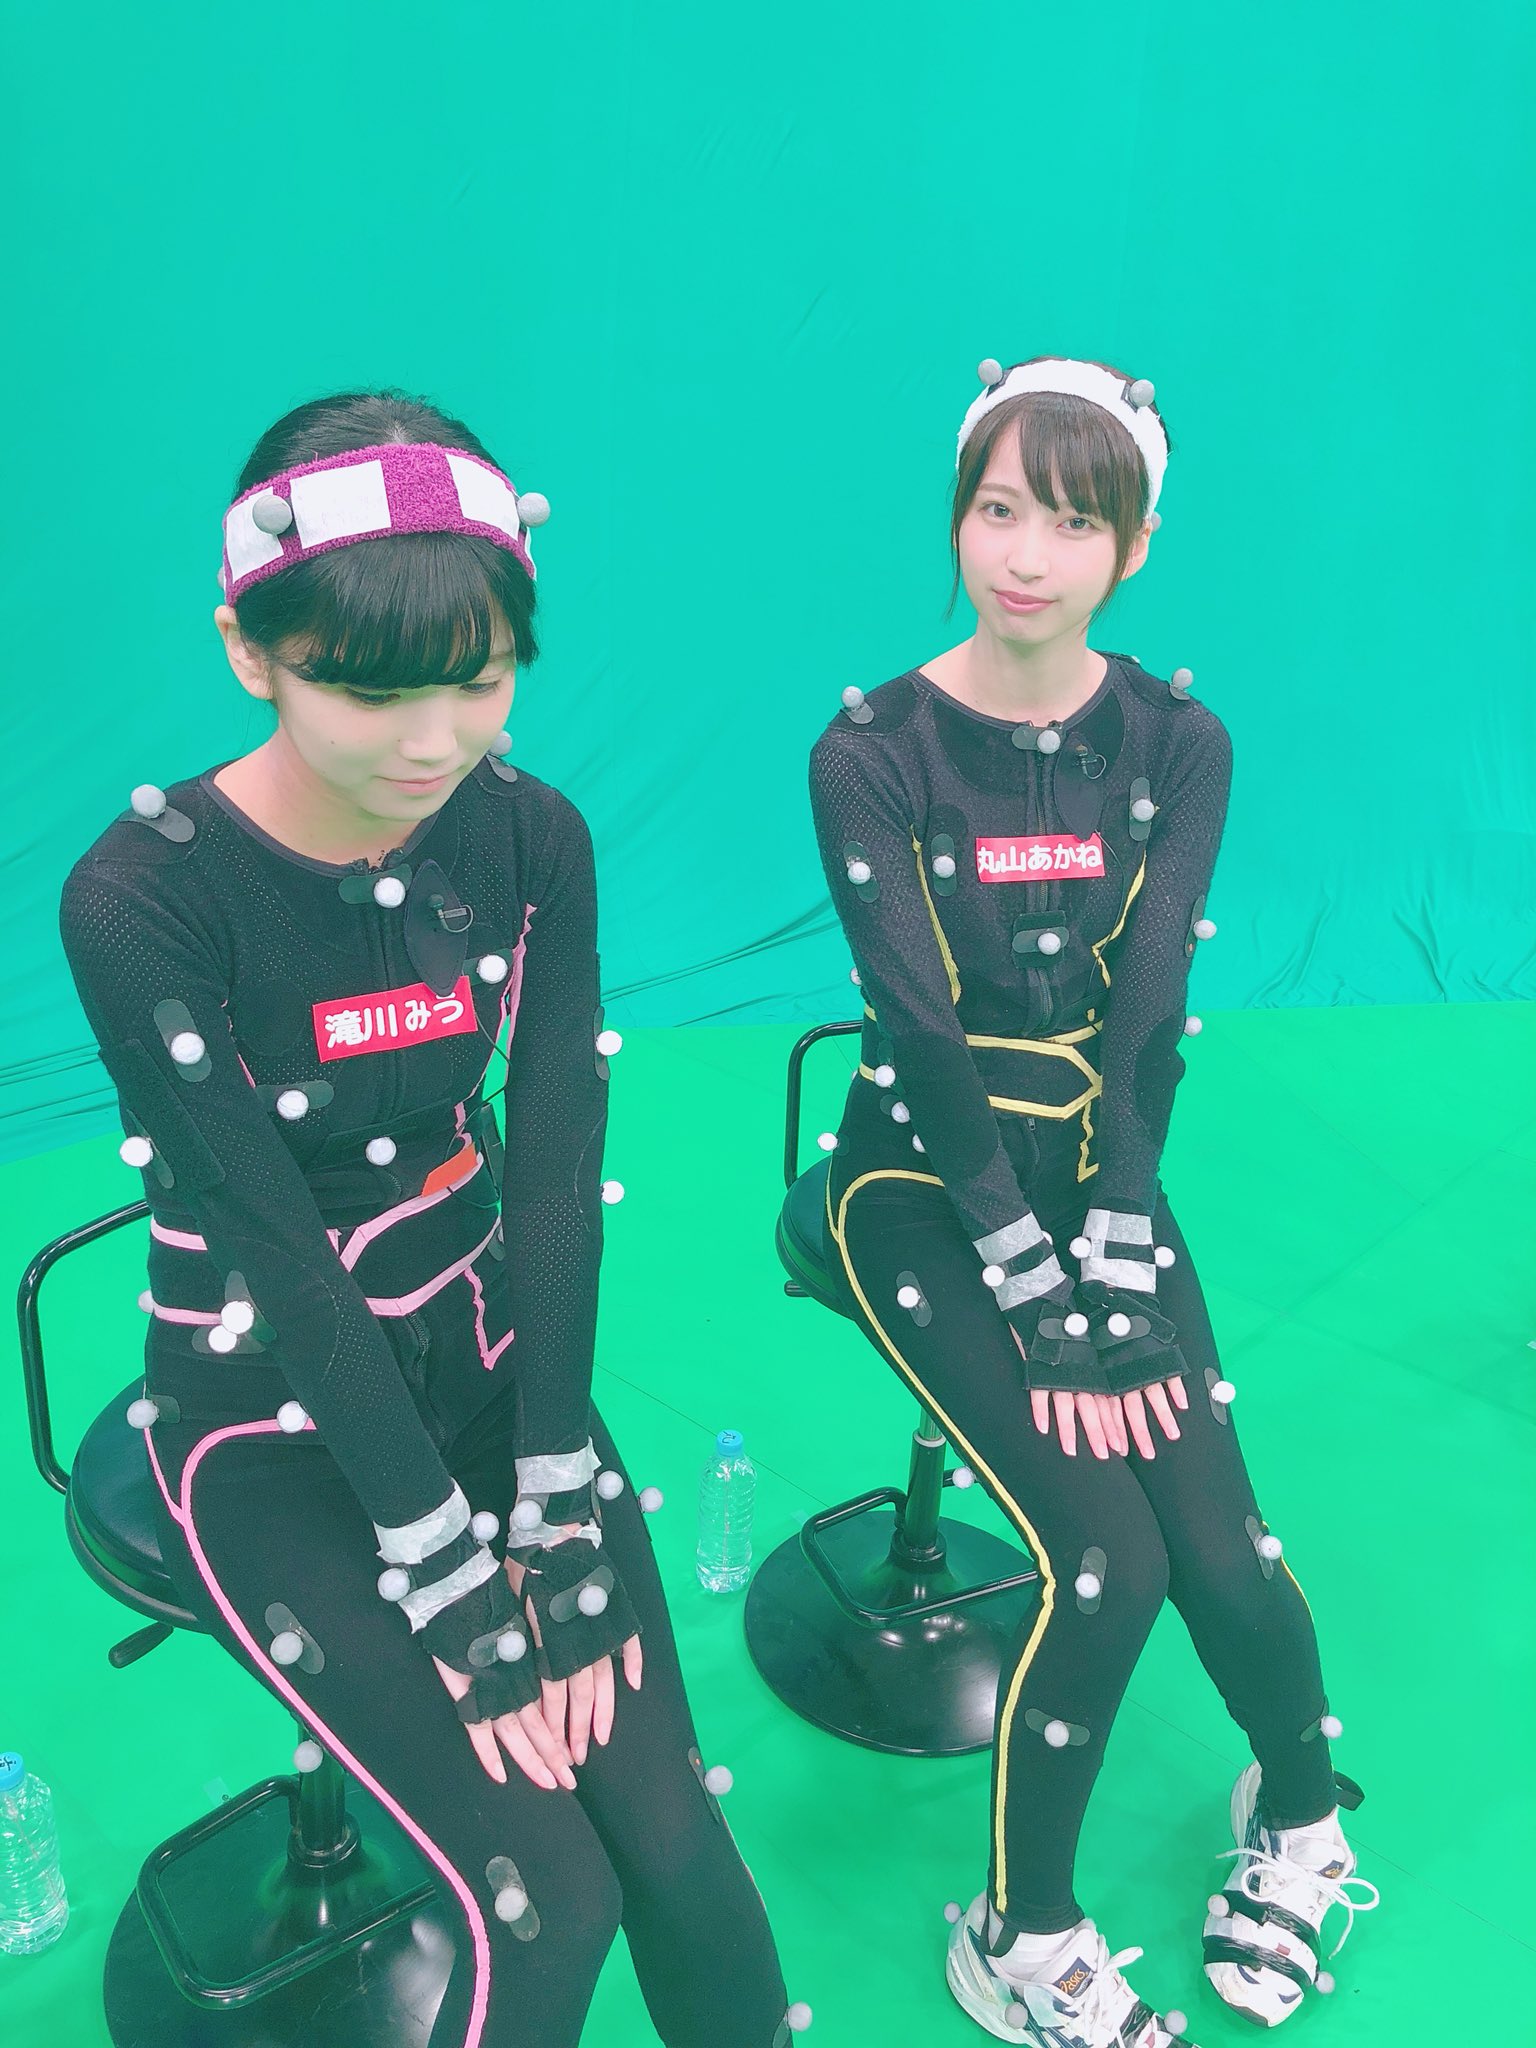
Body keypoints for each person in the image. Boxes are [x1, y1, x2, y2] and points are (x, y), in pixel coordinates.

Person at [59, 390, 809, 2048]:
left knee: (675, 1846)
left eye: (479, 679)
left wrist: (551, 1499)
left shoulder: (532, 836)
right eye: (370, 689)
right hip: (267, 1429)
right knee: (547, 1896)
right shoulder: (139, 896)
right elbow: (272, 1247)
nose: (432, 741)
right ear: (250, 652)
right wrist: (451, 1576)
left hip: (490, 1375)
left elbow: (549, 1177)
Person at [807, 357, 1378, 2046]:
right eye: (998, 510)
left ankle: (1304, 1815)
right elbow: (918, 1031)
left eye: (1072, 522)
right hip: (919, 1187)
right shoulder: (871, 750)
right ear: (956, 516)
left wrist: (1115, 1254)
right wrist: (1037, 1292)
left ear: (1134, 545)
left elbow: (1146, 1014)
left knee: (1226, 1552)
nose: (1026, 556)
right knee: (1106, 1562)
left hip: (1099, 1182)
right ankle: (1023, 1930)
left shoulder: (1180, 741)